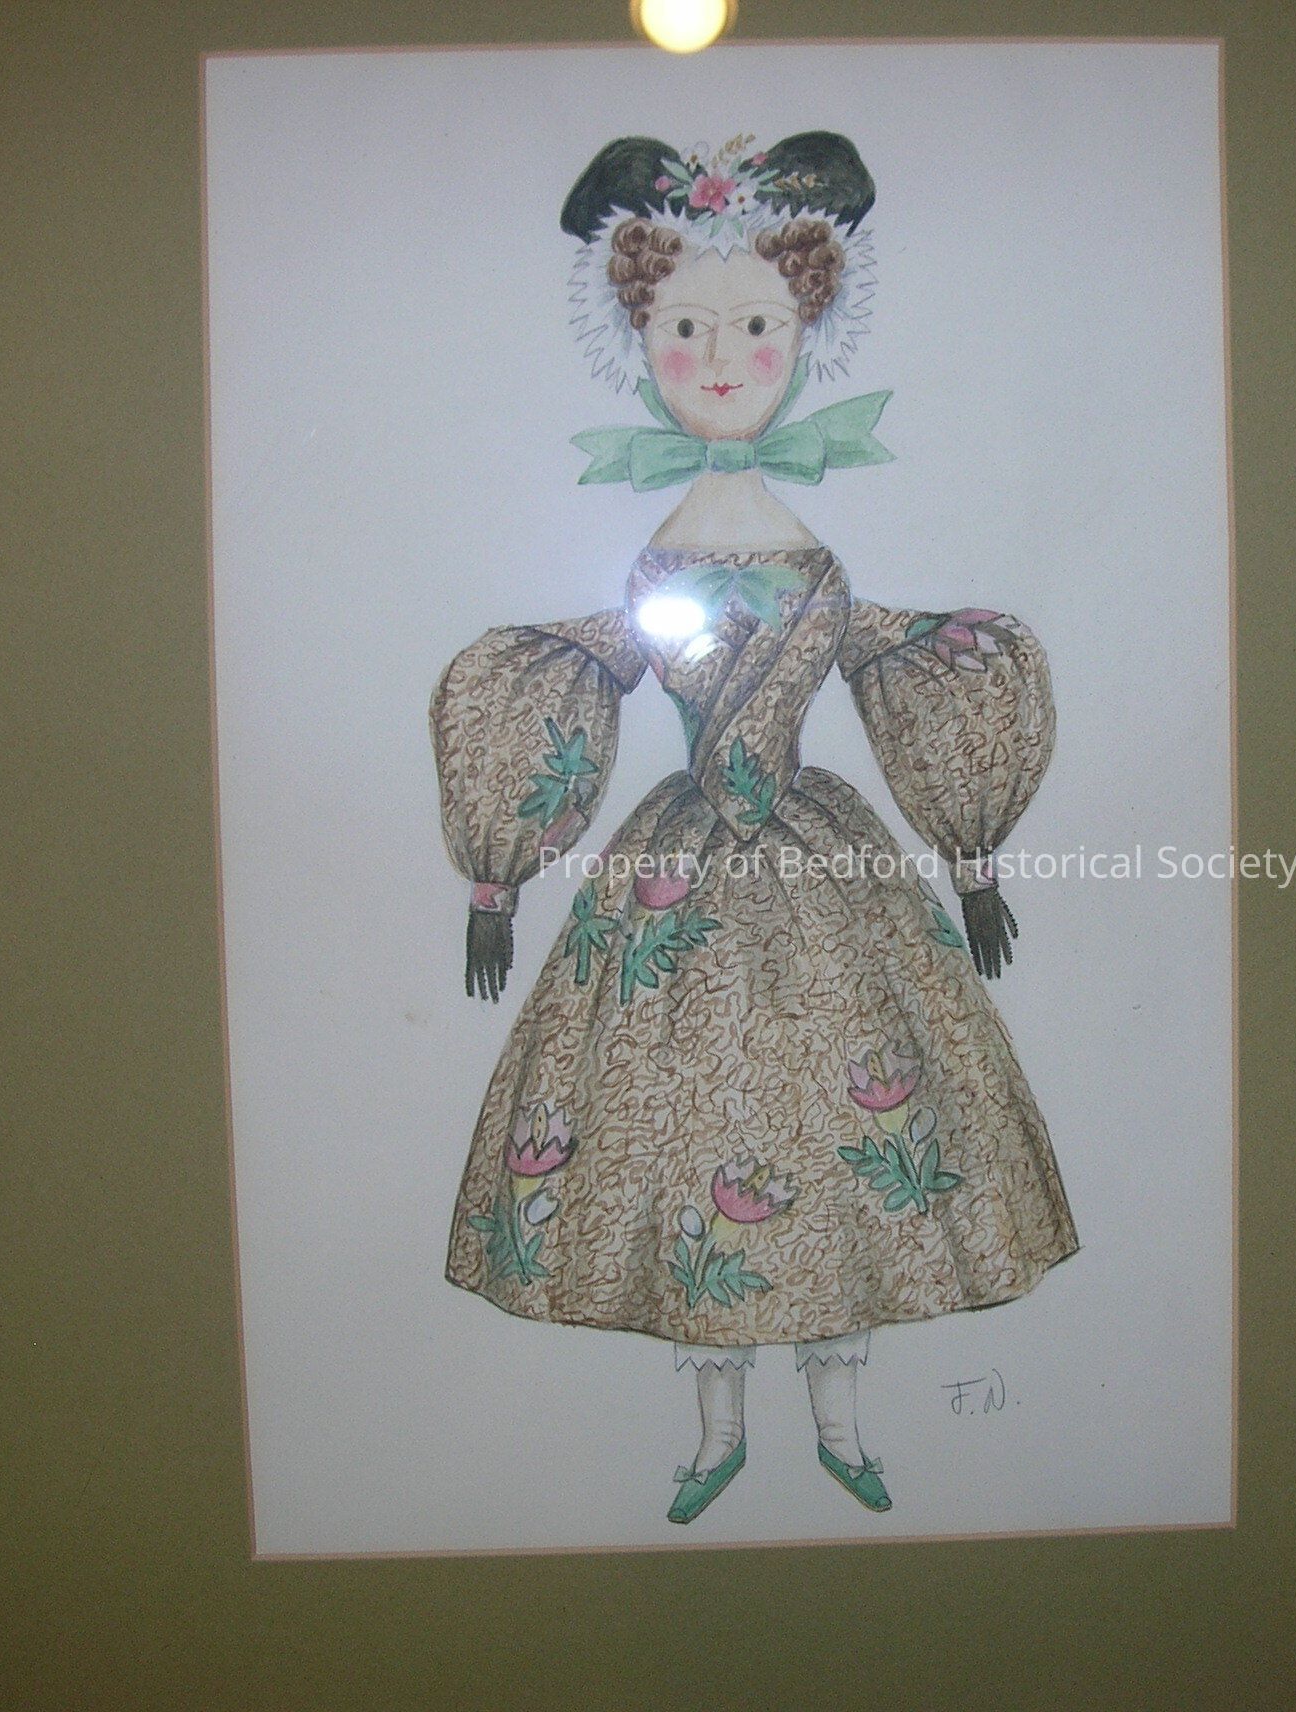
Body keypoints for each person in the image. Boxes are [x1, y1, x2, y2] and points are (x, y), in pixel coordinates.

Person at [430, 131, 1076, 1525]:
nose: (720, 356)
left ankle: (839, 1421)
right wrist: (495, 877)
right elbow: (564, 676)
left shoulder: (809, 552)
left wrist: (971, 855)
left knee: (840, 1112)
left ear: (805, 330)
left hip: (824, 862)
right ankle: (715, 1431)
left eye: (755, 327)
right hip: (674, 867)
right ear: (640, 335)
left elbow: (901, 662)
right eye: (684, 329)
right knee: (678, 1126)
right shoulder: (662, 547)